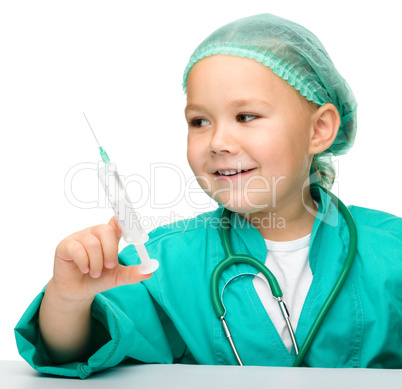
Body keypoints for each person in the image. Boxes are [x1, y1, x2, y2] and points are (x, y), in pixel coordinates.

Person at [15, 13, 402, 379]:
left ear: (319, 129)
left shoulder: (392, 251)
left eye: (246, 116)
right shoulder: (162, 262)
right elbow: (73, 350)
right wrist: (68, 299)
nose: (217, 142)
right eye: (199, 121)